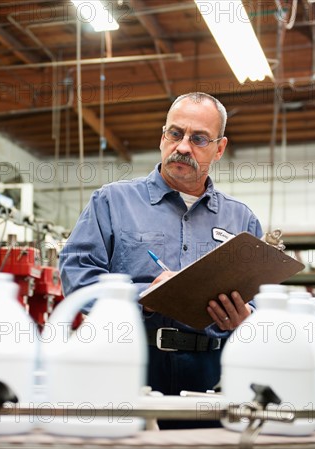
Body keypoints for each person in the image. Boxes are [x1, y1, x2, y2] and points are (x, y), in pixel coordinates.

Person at [59, 92, 263, 429]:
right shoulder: (113, 202)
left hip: (212, 373)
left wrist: (247, 318)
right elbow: (76, 273)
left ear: (220, 148)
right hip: (130, 364)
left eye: (198, 138)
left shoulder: (241, 221)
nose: (183, 146)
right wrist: (141, 298)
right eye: (175, 134)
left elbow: (260, 302)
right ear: (162, 137)